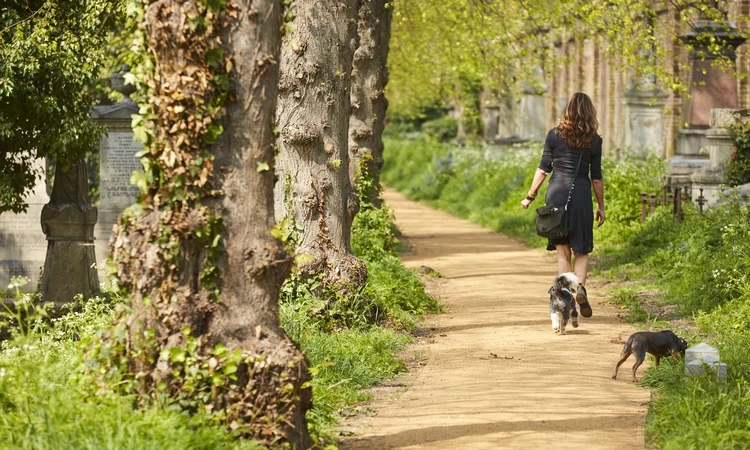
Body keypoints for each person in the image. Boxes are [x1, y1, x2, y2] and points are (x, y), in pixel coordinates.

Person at [521, 92, 605, 323]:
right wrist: (601, 207)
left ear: (567, 110)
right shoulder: (594, 140)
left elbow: (543, 169)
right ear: (590, 113)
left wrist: (530, 196)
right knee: (582, 249)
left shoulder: (554, 135)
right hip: (580, 194)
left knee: (562, 249)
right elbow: (596, 178)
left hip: (557, 193)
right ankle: (580, 289)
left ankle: (566, 295)